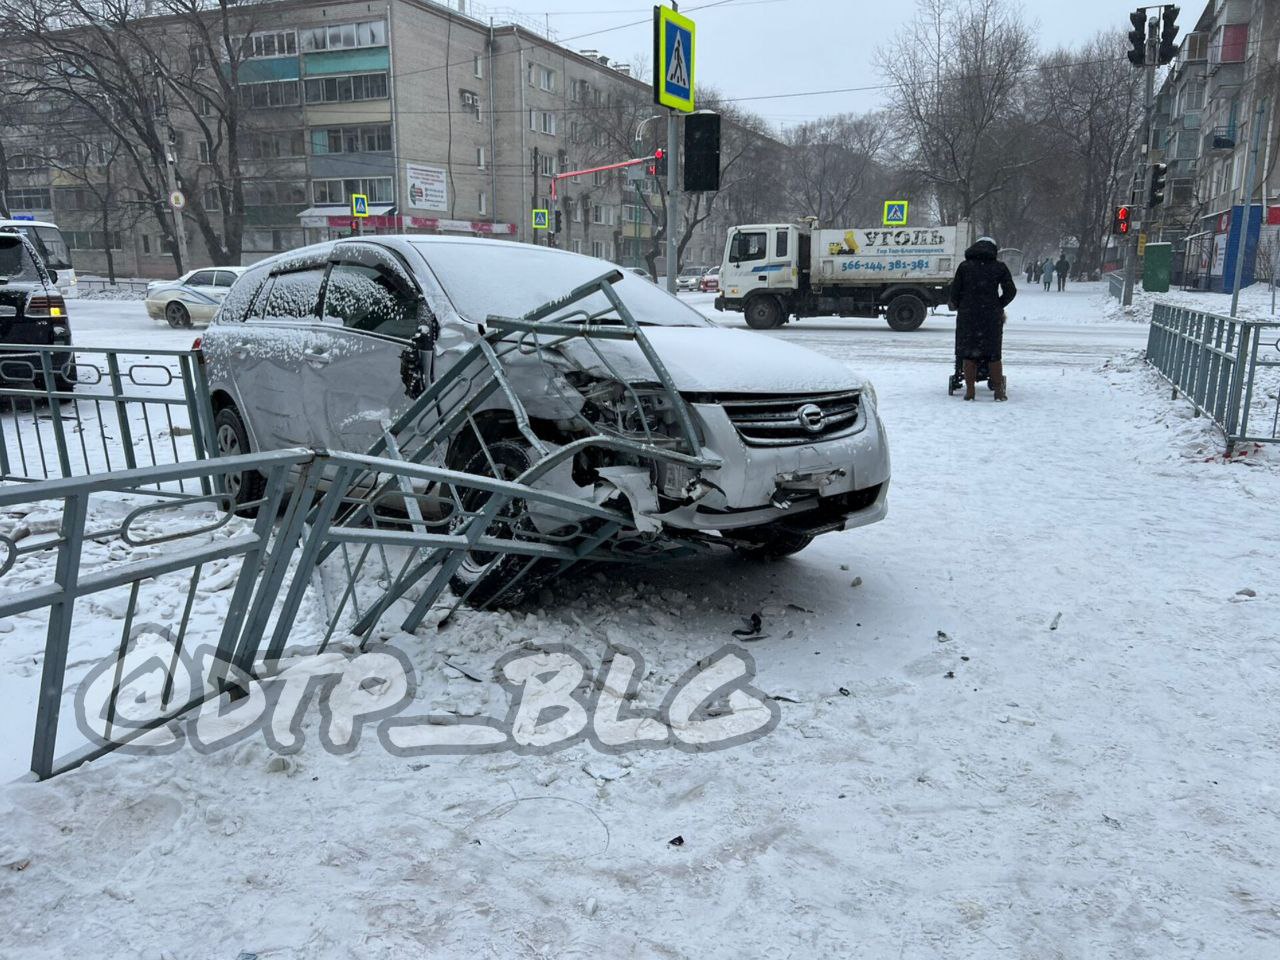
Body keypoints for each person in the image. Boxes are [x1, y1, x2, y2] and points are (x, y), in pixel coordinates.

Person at [949, 236, 1016, 402]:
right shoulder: (999, 267)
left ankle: (970, 391)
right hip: (991, 317)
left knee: (969, 354)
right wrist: (998, 304)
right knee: (994, 354)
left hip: (968, 315)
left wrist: (960, 305)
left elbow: (954, 291)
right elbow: (1011, 291)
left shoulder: (964, 267)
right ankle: (999, 392)